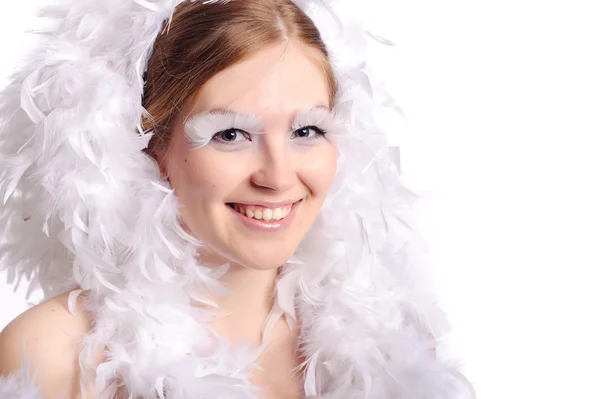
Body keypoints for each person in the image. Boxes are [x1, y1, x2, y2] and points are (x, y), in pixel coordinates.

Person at [0, 0, 475, 398]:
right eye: (230, 134)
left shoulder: (394, 346)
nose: (278, 175)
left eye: (306, 130)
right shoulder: (55, 353)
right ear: (148, 149)